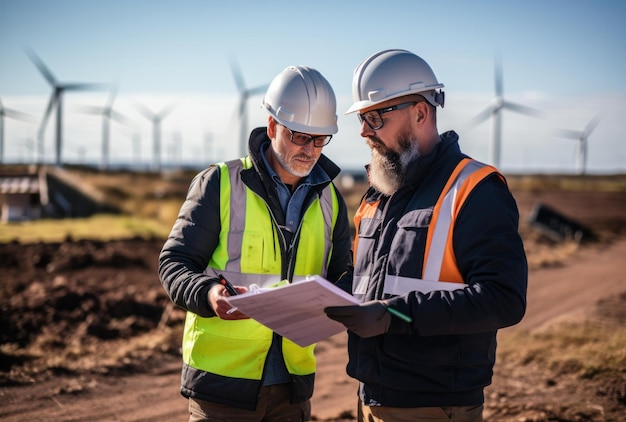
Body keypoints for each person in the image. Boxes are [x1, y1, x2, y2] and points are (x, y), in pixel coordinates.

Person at [324, 49, 528, 422]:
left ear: (420, 112)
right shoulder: (377, 196)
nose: (364, 131)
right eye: (363, 119)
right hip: (370, 399)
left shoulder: (474, 190)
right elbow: (371, 283)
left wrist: (395, 315)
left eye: (375, 117)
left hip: (435, 405)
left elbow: (504, 299)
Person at [159, 65, 353, 422]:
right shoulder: (219, 183)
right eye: (299, 136)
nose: (310, 150)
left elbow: (345, 274)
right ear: (273, 126)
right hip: (222, 386)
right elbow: (174, 263)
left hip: (292, 389)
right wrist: (209, 294)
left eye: (320, 139)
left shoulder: (332, 200)